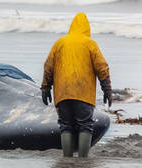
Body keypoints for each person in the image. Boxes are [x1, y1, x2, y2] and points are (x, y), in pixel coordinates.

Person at [41, 12, 112, 158]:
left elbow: (48, 66)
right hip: (83, 92)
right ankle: (82, 160)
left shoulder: (60, 42)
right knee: (85, 125)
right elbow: (102, 67)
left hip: (62, 92)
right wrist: (107, 89)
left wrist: (45, 87)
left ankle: (67, 159)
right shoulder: (90, 43)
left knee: (65, 125)